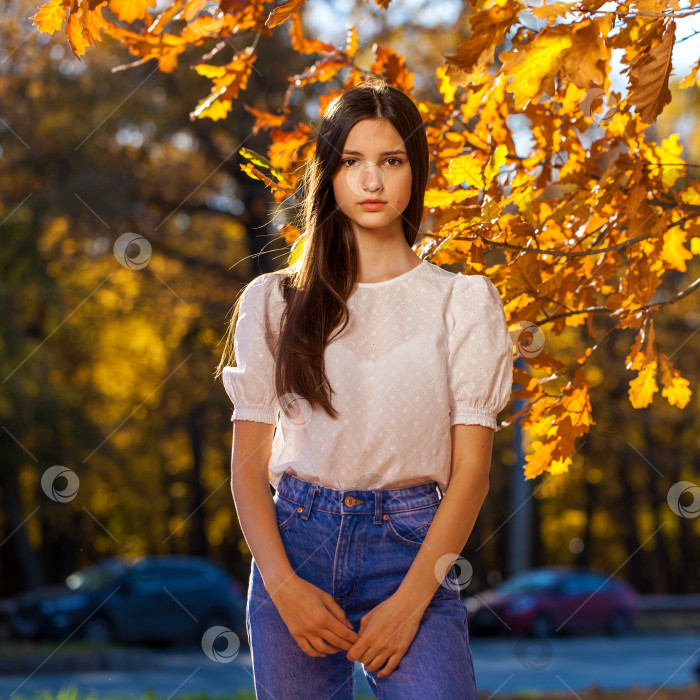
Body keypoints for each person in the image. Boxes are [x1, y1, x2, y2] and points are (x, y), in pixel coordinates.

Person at [215, 77, 513, 699]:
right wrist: (283, 585)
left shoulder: (462, 303)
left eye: (391, 161)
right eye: (352, 162)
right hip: (294, 542)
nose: (371, 183)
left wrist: (410, 604)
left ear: (415, 171)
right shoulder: (274, 301)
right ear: (331, 173)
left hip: (413, 552)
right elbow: (248, 469)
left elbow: (472, 475)